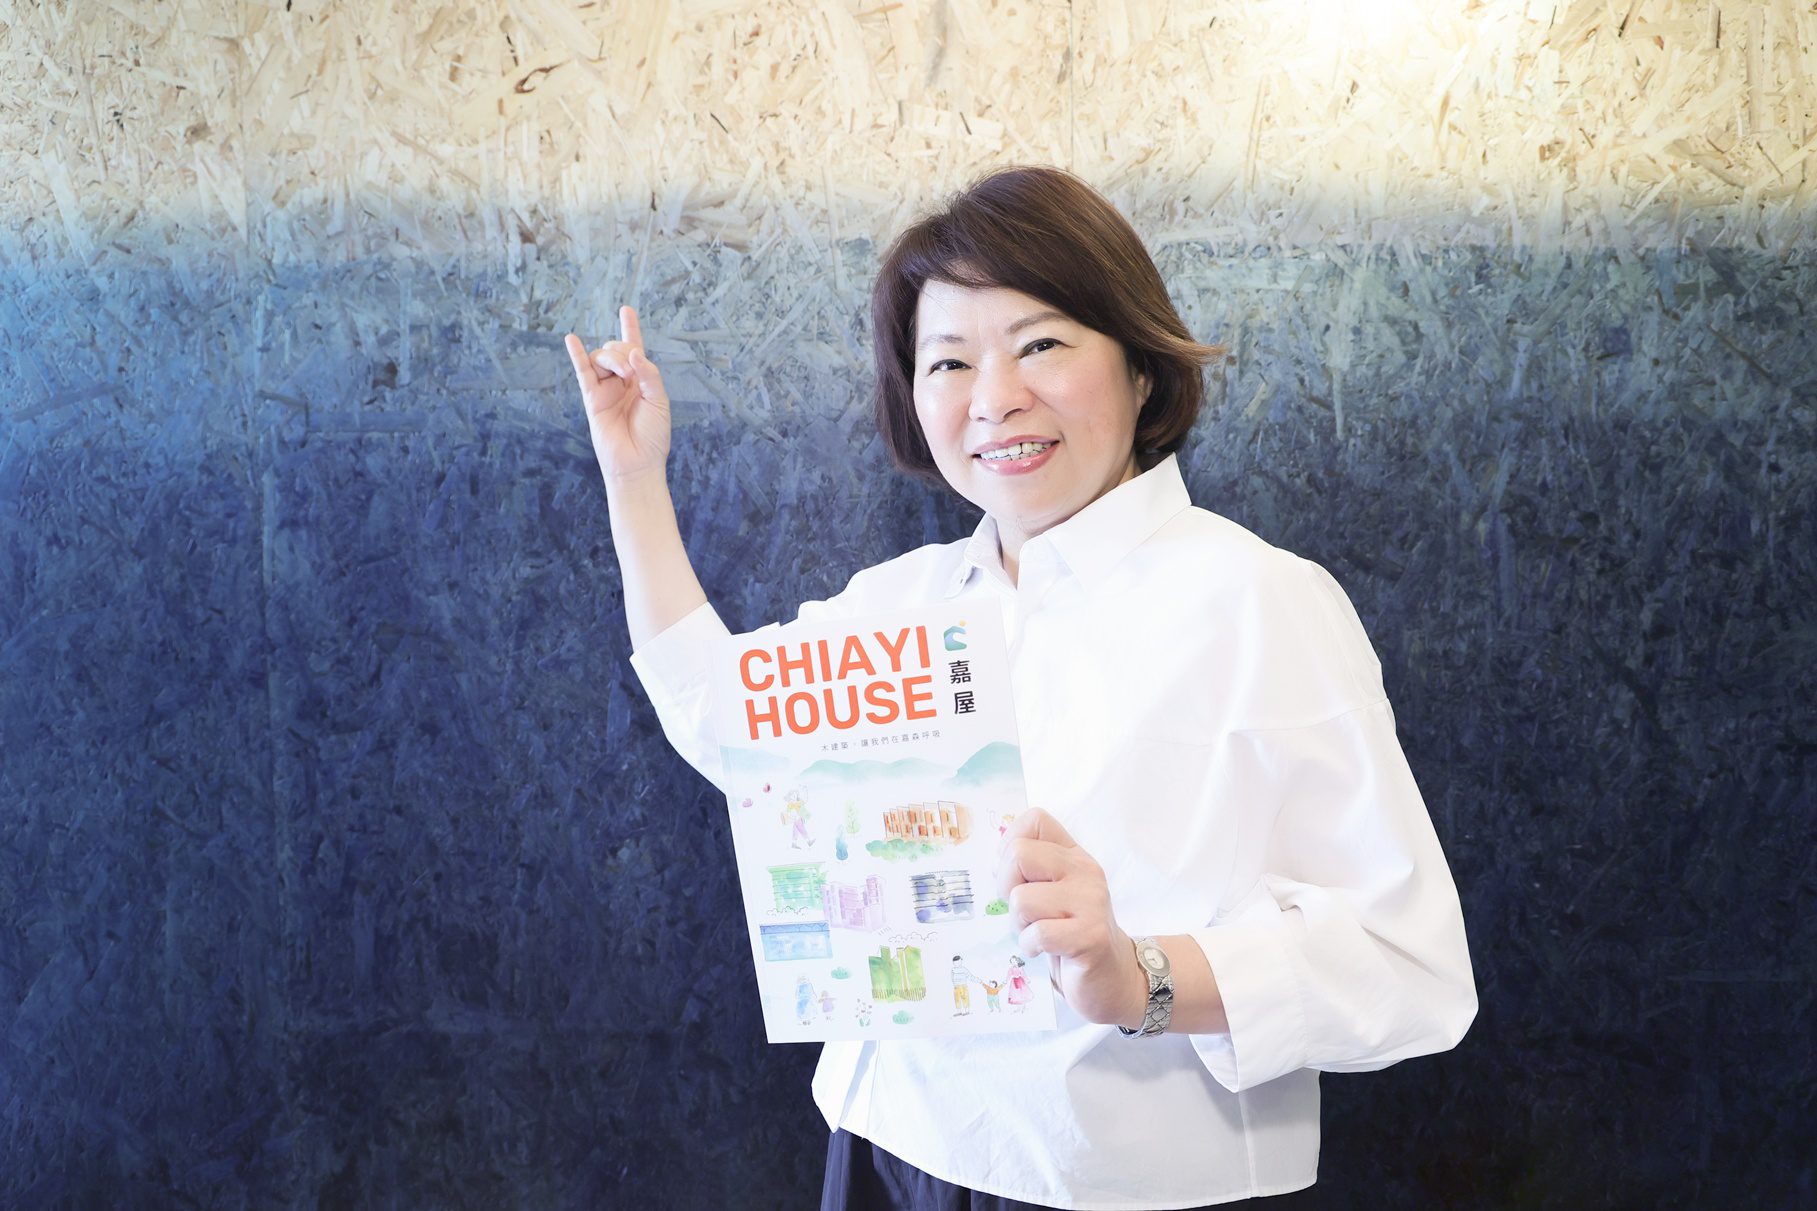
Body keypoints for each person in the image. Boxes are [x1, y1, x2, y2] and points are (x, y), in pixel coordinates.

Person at [564, 166, 1476, 1209]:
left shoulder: (1259, 601)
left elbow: (1407, 964)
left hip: (1120, 1185)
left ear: (1139, 368)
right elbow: (731, 731)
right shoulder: (901, 602)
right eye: (948, 361)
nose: (993, 398)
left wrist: (1136, 974)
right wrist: (632, 479)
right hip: (886, 1150)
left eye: (1039, 345)